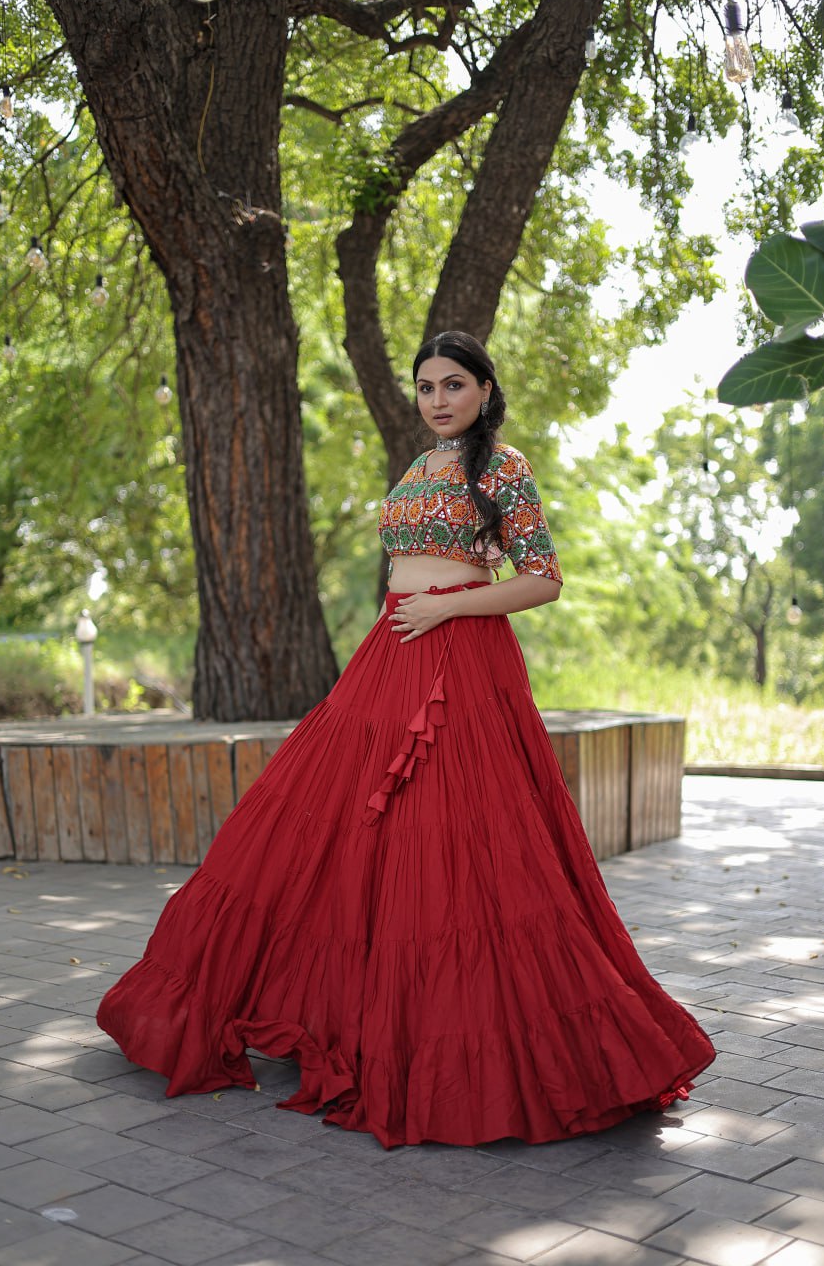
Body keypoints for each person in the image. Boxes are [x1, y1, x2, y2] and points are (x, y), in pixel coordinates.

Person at [97, 330, 715, 1150]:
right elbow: (405, 567)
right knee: (339, 836)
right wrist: (408, 615)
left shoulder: (503, 467)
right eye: (425, 387)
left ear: (485, 391)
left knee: (453, 848)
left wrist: (450, 607)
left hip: (460, 661)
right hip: (388, 657)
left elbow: (542, 578)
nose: (436, 400)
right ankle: (332, 1014)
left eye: (453, 384)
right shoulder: (419, 467)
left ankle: (459, 1052)